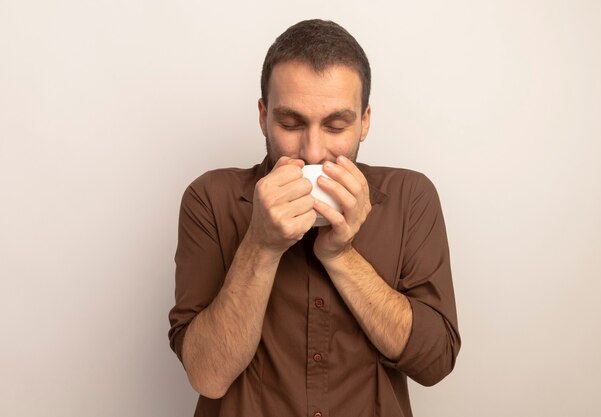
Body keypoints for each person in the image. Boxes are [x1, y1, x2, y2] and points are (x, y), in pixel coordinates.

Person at [168, 19, 461, 417]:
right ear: (263, 116)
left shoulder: (411, 199)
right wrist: (261, 244)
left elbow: (435, 362)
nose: (313, 150)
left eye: (336, 125)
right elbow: (207, 375)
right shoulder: (211, 199)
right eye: (290, 123)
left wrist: (342, 256)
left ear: (365, 121)